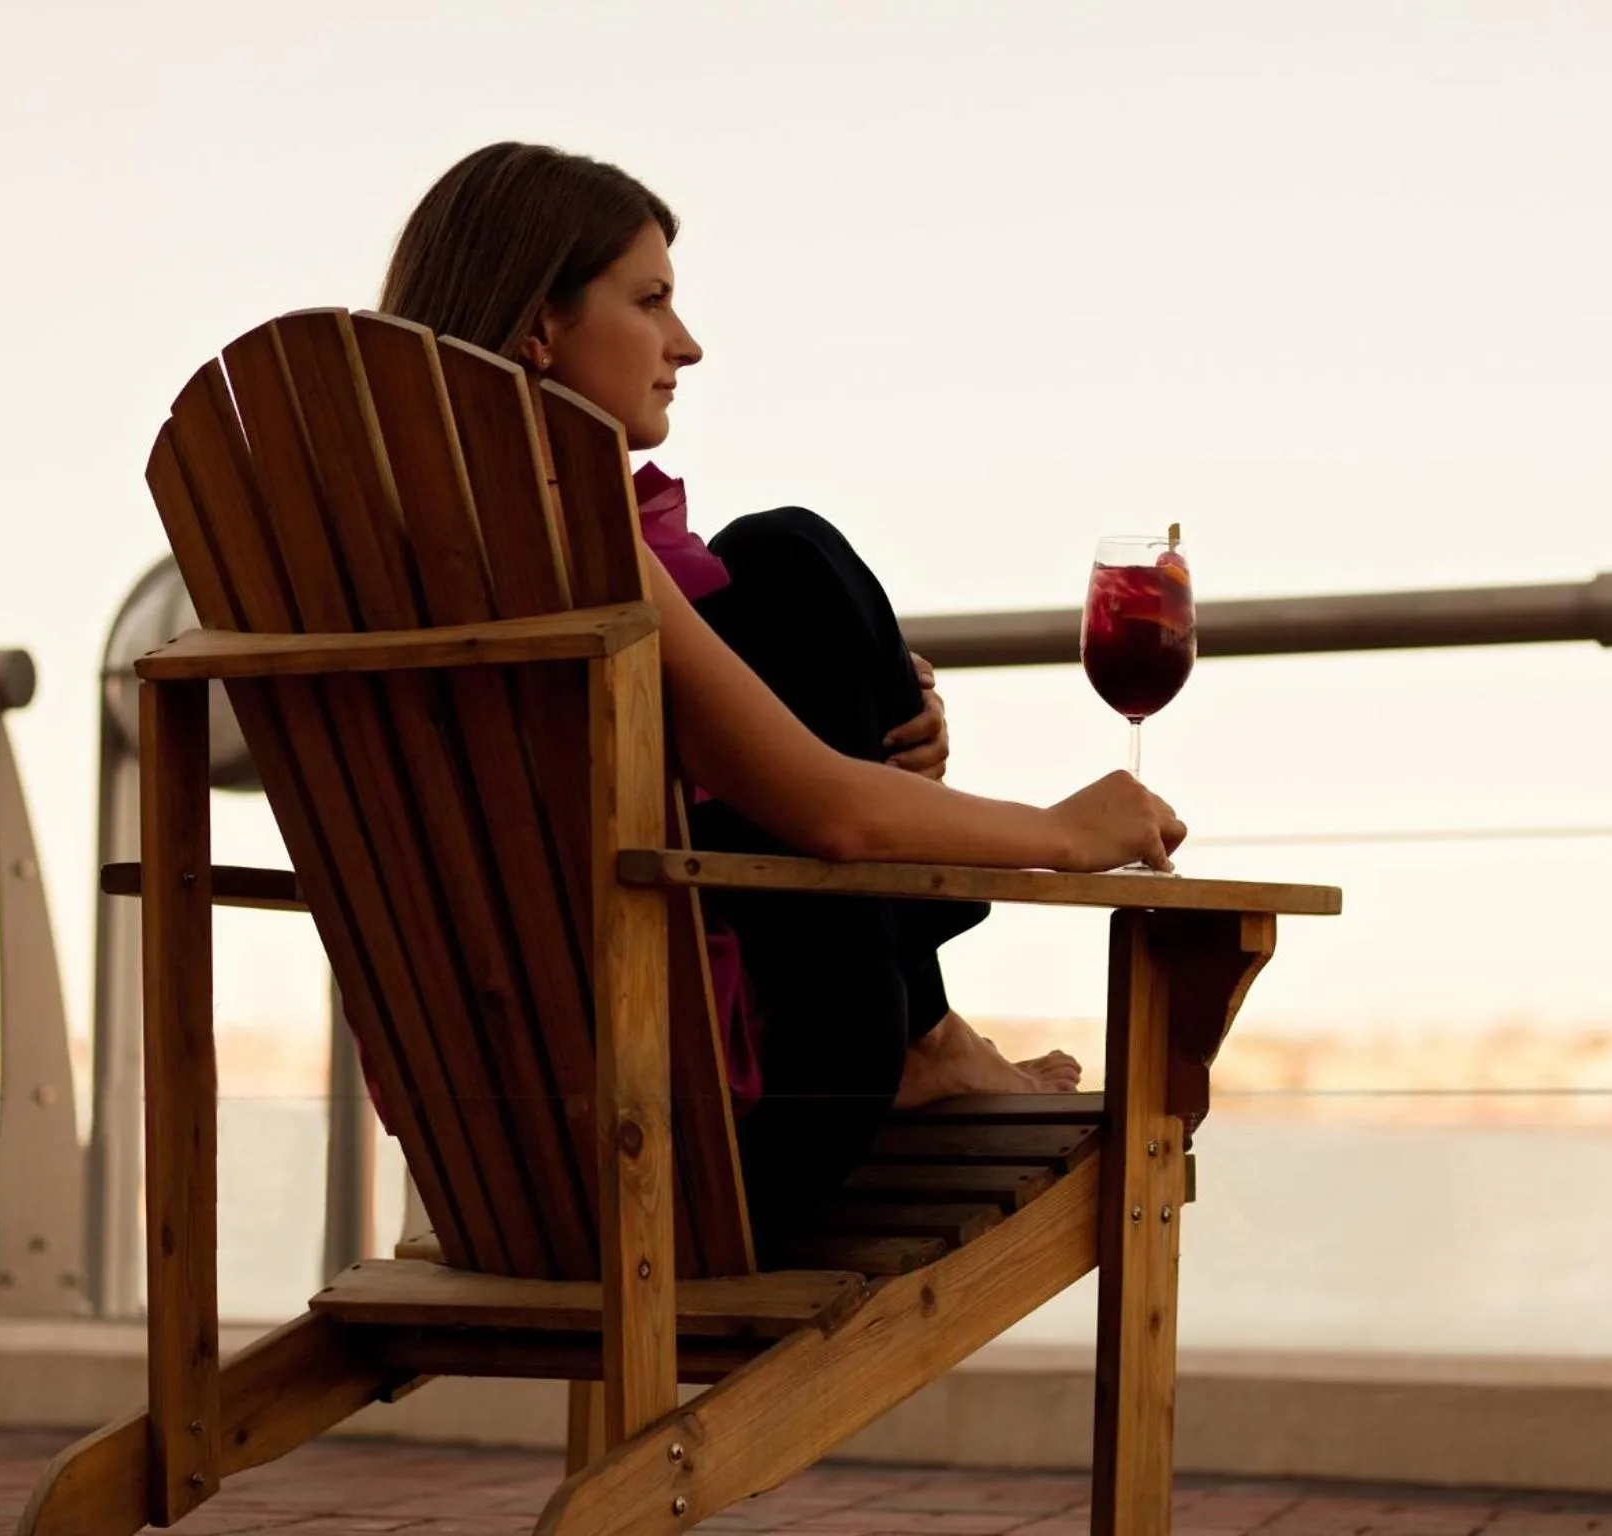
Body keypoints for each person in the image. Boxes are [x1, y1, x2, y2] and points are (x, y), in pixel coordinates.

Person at [380, 143, 1186, 1252]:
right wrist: (1060, 831)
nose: (686, 344)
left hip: (484, 1148)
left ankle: (927, 1038)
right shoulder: (575, 532)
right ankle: (924, 1036)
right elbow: (832, 816)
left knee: (765, 566)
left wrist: (852, 718)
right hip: (691, 1148)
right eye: (650, 300)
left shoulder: (367, 551)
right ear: (537, 329)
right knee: (793, 554)